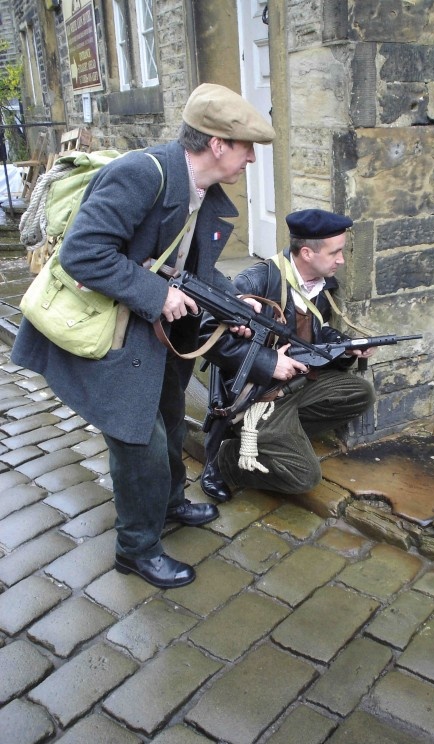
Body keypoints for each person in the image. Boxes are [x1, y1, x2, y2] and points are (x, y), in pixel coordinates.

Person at [11, 83, 275, 588]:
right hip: (109, 331)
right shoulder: (141, 174)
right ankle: (136, 548)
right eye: (247, 149)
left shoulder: (200, 190)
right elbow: (84, 254)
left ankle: (171, 504)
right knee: (140, 443)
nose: (251, 162)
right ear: (218, 144)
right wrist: (156, 297)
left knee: (173, 421)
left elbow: (186, 265)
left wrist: (230, 301)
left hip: (151, 334)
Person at [199, 208, 376, 501]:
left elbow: (315, 336)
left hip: (298, 383)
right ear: (307, 253)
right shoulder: (256, 282)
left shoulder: (322, 283)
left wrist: (347, 346)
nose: (341, 260)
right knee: (304, 477)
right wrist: (268, 362)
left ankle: (280, 436)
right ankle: (225, 458)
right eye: (336, 253)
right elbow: (207, 334)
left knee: (359, 393)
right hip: (260, 394)